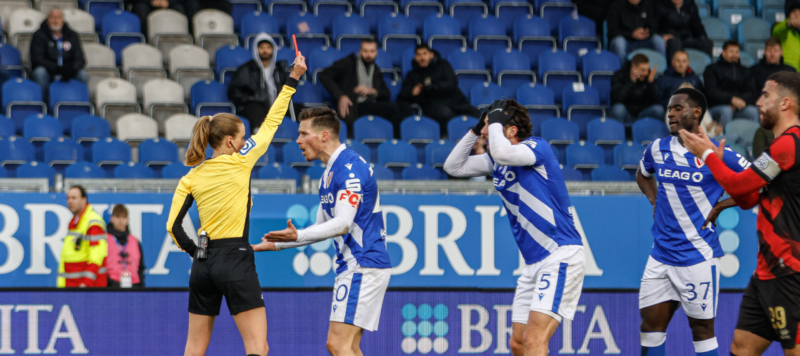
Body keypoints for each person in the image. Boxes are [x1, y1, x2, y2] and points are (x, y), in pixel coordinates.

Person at [166, 53, 305, 356]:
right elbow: (271, 123)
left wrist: (196, 253)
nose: (245, 142)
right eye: (242, 138)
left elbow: (173, 226)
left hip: (203, 264)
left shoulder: (191, 176)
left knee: (194, 347)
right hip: (235, 259)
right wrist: (292, 79)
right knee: (257, 346)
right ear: (229, 141)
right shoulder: (241, 160)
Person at [443, 100, 585, 356]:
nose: (486, 132)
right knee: (518, 343)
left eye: (490, 126)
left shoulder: (536, 148)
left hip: (560, 254)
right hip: (533, 264)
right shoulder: (498, 159)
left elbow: (502, 153)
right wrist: (475, 129)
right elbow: (453, 167)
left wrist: (495, 123)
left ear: (511, 130)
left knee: (534, 338)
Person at [252, 106, 392, 356]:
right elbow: (320, 227)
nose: (298, 140)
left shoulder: (349, 169)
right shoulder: (329, 172)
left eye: (303, 134)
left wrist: (297, 236)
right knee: (349, 346)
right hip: (357, 265)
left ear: (324, 135)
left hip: (363, 264)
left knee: (337, 344)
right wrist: (278, 245)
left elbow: (343, 223)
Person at [680, 71, 800, 356]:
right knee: (742, 347)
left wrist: (707, 154)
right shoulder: (781, 145)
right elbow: (749, 198)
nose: (758, 102)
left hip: (789, 272)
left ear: (785, 103)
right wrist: (720, 158)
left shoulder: (788, 145)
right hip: (766, 273)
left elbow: (737, 185)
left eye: (766, 95)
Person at [636, 88, 750, 356]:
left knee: (702, 332)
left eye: (678, 108)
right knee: (650, 329)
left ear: (697, 112)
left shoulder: (716, 152)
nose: (671, 114)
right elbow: (643, 174)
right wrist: (654, 201)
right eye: (669, 109)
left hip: (697, 257)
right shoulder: (658, 148)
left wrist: (721, 205)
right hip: (660, 256)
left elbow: (758, 180)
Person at [319, 39, 413, 130]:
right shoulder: (348, 63)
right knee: (394, 109)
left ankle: (401, 138)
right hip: (354, 106)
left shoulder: (375, 69)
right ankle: (395, 137)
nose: (369, 55)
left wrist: (372, 91)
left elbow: (386, 94)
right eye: (365, 51)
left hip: (371, 104)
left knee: (406, 108)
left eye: (372, 51)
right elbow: (324, 75)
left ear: (376, 53)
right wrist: (340, 96)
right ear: (360, 52)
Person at [398, 44, 481, 132]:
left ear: (431, 55)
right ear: (415, 58)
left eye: (424, 54)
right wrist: (412, 93)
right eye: (419, 55)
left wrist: (433, 86)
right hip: (434, 106)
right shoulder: (412, 75)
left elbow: (452, 84)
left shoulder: (443, 65)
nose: (422, 58)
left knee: (478, 115)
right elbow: (402, 96)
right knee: (445, 115)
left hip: (456, 102)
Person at [228, 33, 288, 132]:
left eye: (268, 48)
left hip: (275, 106)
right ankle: (259, 136)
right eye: (262, 48)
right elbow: (234, 92)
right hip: (253, 107)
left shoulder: (278, 70)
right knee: (255, 109)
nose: (265, 51)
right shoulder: (246, 70)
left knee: (301, 110)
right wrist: (253, 99)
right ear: (256, 49)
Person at [58, 186, 108, 288]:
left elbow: (97, 258)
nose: (70, 201)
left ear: (84, 200)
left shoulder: (93, 224)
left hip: (87, 288)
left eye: (74, 198)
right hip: (72, 286)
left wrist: (86, 284)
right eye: (68, 198)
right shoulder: (75, 222)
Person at [30, 8, 88, 95]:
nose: (56, 20)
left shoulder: (72, 35)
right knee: (40, 72)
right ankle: (44, 101)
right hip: (48, 71)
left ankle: (79, 100)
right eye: (53, 17)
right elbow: (37, 59)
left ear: (63, 20)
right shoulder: (39, 35)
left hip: (68, 70)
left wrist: (71, 69)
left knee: (83, 75)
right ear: (48, 19)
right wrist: (56, 68)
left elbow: (80, 58)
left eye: (59, 17)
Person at [704, 41, 760, 126]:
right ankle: (722, 134)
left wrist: (739, 102)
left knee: (753, 111)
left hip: (739, 107)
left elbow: (752, 92)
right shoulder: (711, 69)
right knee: (727, 110)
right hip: (718, 107)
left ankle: (752, 134)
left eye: (737, 52)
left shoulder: (745, 71)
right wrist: (731, 100)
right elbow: (711, 92)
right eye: (731, 51)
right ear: (723, 53)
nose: (734, 55)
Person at [607, 0, 666, 65]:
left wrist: (647, 32)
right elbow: (612, 31)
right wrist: (631, 34)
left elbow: (654, 26)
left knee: (659, 41)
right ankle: (622, 70)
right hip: (626, 41)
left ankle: (660, 69)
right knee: (618, 43)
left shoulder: (648, 5)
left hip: (645, 40)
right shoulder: (616, 7)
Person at [610, 54, 665, 124]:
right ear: (633, 68)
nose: (646, 73)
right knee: (618, 109)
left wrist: (651, 83)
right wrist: (631, 83)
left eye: (647, 69)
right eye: (643, 70)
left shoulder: (648, 77)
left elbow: (656, 101)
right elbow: (617, 99)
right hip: (626, 113)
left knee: (658, 110)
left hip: (643, 114)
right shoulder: (619, 75)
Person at [106, 204, 145, 288]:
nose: (120, 220)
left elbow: (141, 266)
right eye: (117, 217)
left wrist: (140, 284)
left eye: (123, 217)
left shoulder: (134, 241)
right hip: (112, 284)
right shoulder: (105, 240)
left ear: (128, 219)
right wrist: (109, 282)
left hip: (134, 284)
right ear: (112, 219)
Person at [773, 3, 800, 71]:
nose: (797, 17)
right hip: (787, 72)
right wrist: (789, 23)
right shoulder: (785, 29)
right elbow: (776, 31)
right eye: (795, 14)